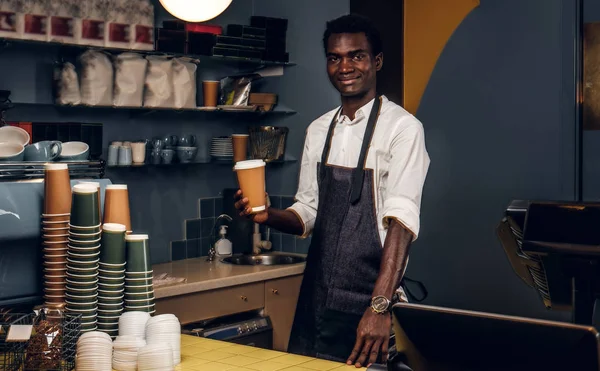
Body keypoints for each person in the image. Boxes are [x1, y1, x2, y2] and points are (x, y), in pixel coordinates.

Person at [234, 14, 430, 368]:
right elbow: (308, 212)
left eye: (356, 55)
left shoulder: (403, 129)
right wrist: (268, 215)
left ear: (377, 61)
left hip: (369, 299)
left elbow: (401, 225)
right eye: (335, 57)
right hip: (318, 297)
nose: (345, 66)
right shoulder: (318, 130)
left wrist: (379, 307)